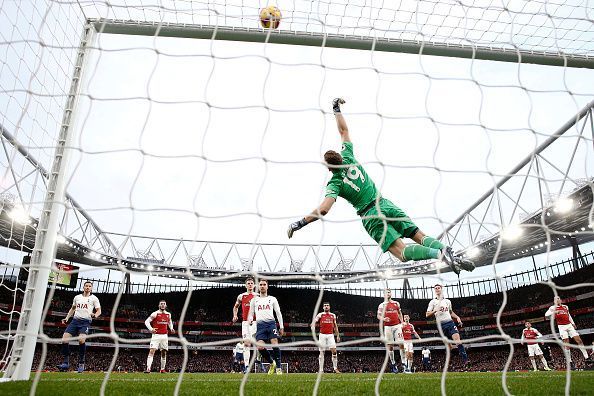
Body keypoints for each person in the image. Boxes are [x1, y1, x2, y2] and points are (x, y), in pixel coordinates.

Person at [286, 98, 475, 275]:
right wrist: (336, 109)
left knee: (402, 254)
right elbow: (344, 132)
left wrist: (300, 223)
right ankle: (447, 251)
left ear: (329, 167)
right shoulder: (349, 157)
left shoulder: (334, 183)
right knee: (418, 235)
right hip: (384, 204)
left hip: (371, 216)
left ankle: (440, 255)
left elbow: (325, 209)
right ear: (339, 156)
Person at [58, 281, 101, 373]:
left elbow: (99, 311)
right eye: (86, 286)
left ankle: (81, 363)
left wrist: (95, 315)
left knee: (81, 340)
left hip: (85, 322)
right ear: (83, 287)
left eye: (89, 286)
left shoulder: (94, 298)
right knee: (64, 339)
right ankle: (66, 363)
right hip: (75, 321)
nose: (88, 287)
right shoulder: (77, 297)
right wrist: (66, 318)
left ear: (91, 288)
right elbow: (73, 308)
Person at [425, 284, 468, 366]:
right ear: (435, 291)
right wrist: (435, 311)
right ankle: (450, 361)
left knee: (458, 341)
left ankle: (465, 360)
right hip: (441, 326)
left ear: (441, 289)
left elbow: (451, 312)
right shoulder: (433, 302)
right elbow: (427, 314)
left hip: (450, 323)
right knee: (449, 347)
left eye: (439, 288)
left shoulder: (447, 301)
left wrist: (457, 317)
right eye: (436, 288)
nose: (437, 289)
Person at [248, 279, 284, 375]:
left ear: (267, 286)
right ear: (258, 287)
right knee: (259, 347)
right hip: (260, 326)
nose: (262, 286)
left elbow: (278, 313)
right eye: (261, 285)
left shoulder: (272, 299)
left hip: (271, 324)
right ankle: (272, 363)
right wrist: (250, 319)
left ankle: (279, 368)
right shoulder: (254, 300)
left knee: (274, 343)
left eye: (264, 284)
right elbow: (251, 313)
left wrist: (281, 326)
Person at [545, 296, 592, 367]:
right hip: (561, 327)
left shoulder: (565, 307)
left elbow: (569, 315)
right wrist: (554, 311)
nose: (557, 300)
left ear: (560, 300)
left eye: (558, 299)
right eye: (555, 299)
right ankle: (569, 361)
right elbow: (546, 315)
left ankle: (587, 358)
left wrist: (573, 323)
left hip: (569, 325)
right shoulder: (552, 307)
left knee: (579, 340)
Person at [232, 277, 261, 371]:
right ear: (246, 285)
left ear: (254, 285)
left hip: (256, 322)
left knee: (259, 342)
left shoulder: (258, 296)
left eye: (251, 283)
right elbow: (235, 307)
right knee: (247, 344)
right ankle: (247, 366)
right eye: (248, 283)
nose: (250, 284)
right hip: (245, 323)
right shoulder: (241, 296)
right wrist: (235, 315)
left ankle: (258, 358)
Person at [377, 289, 404, 373]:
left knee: (401, 343)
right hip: (388, 327)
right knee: (390, 346)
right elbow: (378, 316)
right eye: (386, 292)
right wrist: (384, 318)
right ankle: (393, 363)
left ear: (391, 294)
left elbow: (399, 313)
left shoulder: (396, 303)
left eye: (389, 292)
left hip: (397, 325)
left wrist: (402, 322)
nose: (387, 294)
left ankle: (404, 364)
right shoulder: (382, 305)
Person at [144, 300, 174, 373]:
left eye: (164, 304)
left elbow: (169, 322)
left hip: (164, 336)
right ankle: (148, 369)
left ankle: (162, 369)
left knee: (164, 352)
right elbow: (146, 322)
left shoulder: (168, 314)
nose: (163, 305)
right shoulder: (155, 313)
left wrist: (171, 328)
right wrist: (151, 329)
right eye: (161, 304)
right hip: (156, 335)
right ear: (159, 305)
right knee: (152, 351)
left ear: (166, 306)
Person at [311, 302, 341, 373]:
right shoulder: (320, 314)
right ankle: (321, 370)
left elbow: (335, 326)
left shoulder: (333, 315)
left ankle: (335, 368)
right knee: (322, 352)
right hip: (322, 335)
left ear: (329, 307)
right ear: (323, 307)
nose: (326, 307)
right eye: (325, 306)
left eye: (327, 305)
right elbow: (315, 321)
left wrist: (338, 335)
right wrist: (313, 324)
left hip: (330, 335)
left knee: (334, 351)